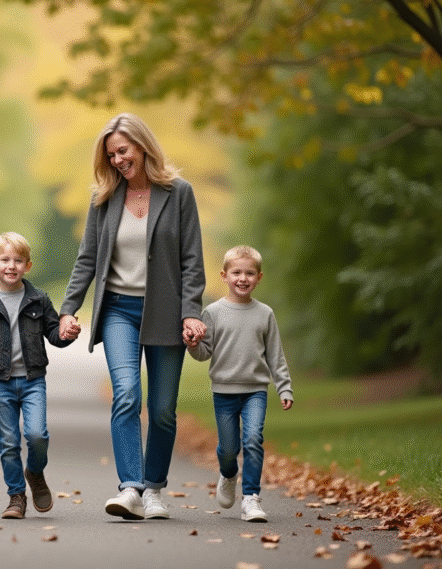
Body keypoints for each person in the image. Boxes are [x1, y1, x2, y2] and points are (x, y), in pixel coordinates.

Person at [58, 113, 206, 520]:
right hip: (118, 309)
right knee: (126, 394)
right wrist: (69, 308)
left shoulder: (178, 193)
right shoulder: (104, 197)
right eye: (111, 154)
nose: (118, 160)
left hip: (166, 312)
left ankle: (154, 489)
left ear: (142, 146)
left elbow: (192, 259)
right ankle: (130, 488)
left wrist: (191, 312)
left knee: (161, 409)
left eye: (123, 150)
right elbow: (87, 258)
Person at [0, 232, 74, 519]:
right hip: (1, 383)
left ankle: (35, 473)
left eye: (18, 260)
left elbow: (53, 333)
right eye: (4, 260)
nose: (11, 266)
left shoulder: (38, 299)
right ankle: (16, 496)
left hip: (32, 380)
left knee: (37, 435)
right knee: (9, 442)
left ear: (28, 265)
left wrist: (66, 334)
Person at [185, 245, 293, 522]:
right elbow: (203, 353)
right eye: (236, 272)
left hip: (256, 390)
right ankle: (228, 474)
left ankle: (251, 499)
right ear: (224, 275)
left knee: (254, 439)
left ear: (259, 277)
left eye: (249, 273)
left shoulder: (265, 313)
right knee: (229, 448)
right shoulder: (212, 313)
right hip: (224, 391)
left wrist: (284, 386)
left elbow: (275, 355)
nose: (242, 278)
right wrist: (193, 346)